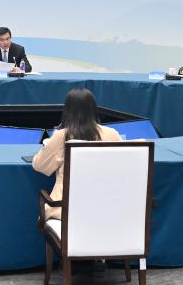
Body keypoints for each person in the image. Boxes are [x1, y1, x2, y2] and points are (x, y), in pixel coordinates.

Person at [32, 88, 122, 220]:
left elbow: (39, 165)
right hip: (105, 209)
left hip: (65, 210)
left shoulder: (62, 136)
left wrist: (49, 145)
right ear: (93, 109)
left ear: (67, 111)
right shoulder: (112, 134)